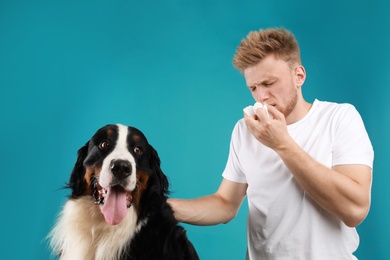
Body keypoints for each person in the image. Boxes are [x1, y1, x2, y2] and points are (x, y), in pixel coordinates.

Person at [168, 28, 374, 259]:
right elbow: (225, 203)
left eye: (269, 83)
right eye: (253, 88)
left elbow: (355, 210)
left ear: (299, 76)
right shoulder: (244, 131)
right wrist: (158, 208)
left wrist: (282, 144)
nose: (261, 97)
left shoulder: (339, 118)